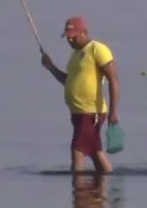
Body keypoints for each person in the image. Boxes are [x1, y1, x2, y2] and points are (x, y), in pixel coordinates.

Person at [41, 15, 120, 174]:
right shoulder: (76, 55)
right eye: (68, 38)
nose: (70, 41)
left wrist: (114, 111)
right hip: (78, 113)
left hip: (91, 112)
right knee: (94, 151)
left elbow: (113, 79)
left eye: (73, 37)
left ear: (84, 32)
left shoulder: (97, 49)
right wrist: (50, 67)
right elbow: (68, 81)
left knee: (77, 151)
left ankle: (78, 190)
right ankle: (110, 182)